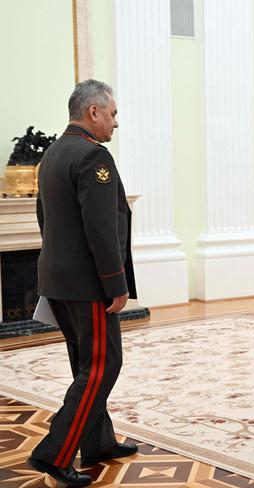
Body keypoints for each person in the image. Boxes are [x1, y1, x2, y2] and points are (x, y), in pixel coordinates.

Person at [27, 79, 138, 487]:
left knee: (85, 364)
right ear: (93, 113)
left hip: (57, 278)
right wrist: (116, 283)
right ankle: (54, 453)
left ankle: (98, 441)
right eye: (112, 114)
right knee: (103, 365)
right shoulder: (94, 158)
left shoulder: (53, 153)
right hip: (88, 284)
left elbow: (44, 218)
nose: (115, 122)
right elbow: (102, 229)